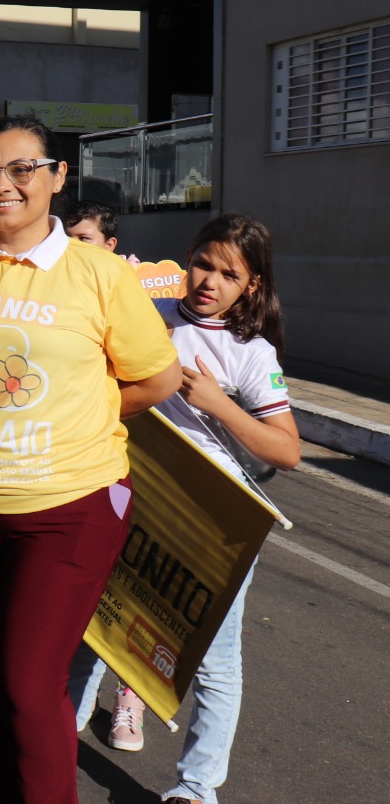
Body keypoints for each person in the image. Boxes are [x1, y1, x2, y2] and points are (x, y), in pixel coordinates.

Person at [0, 115, 181, 804]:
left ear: (57, 177)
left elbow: (157, 380)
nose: (3, 186)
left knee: (27, 684)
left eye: (23, 169)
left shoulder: (98, 273)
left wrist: (86, 414)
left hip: (69, 509)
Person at [69, 214, 298, 804]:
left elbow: (287, 449)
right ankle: (48, 744)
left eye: (229, 274)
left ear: (250, 285)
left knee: (216, 666)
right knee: (91, 628)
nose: (209, 282)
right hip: (121, 493)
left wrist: (219, 405)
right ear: (186, 258)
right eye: (203, 263)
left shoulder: (251, 350)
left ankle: (196, 789)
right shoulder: (147, 316)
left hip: (210, 521)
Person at [62, 199, 141, 265]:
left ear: (109, 245)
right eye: (67, 237)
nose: (71, 243)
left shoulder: (126, 275)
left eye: (83, 238)